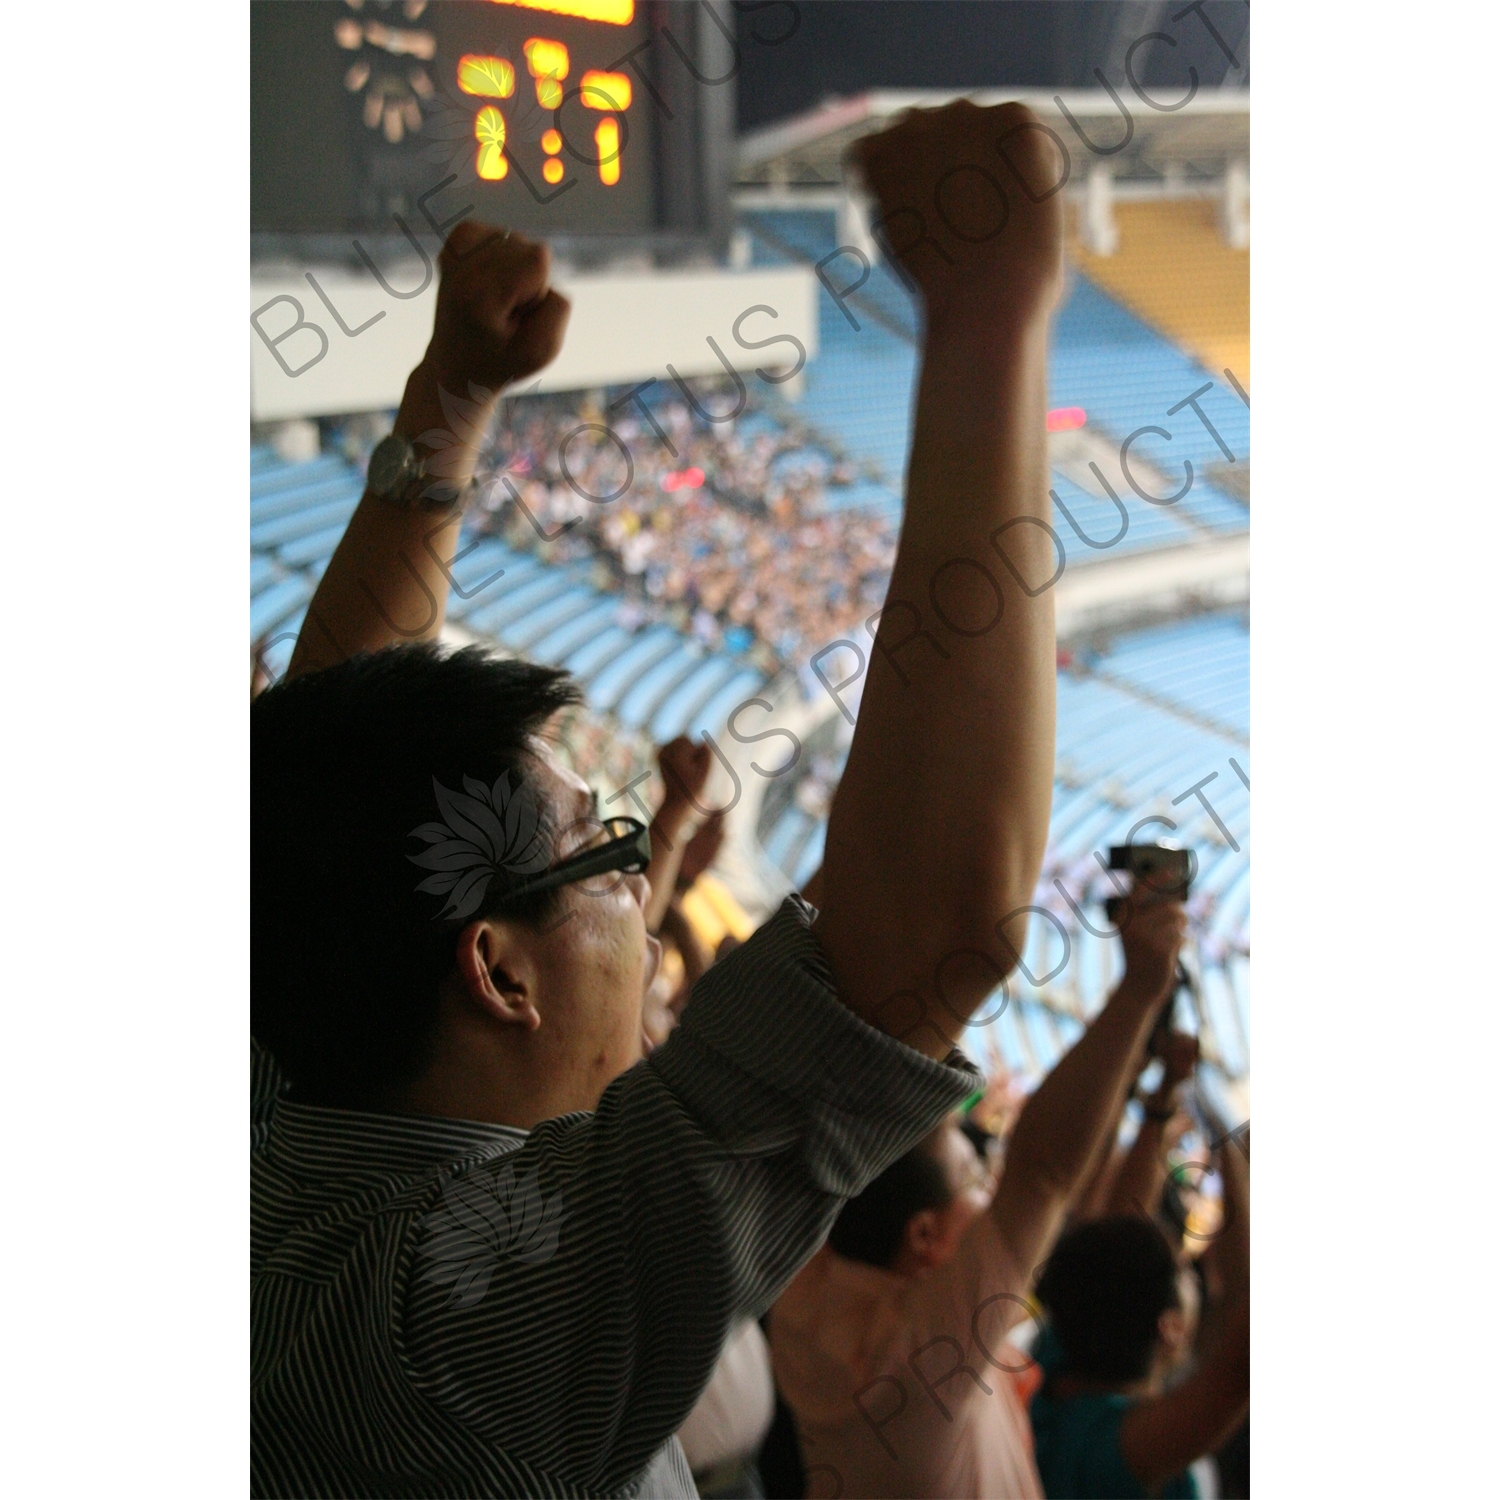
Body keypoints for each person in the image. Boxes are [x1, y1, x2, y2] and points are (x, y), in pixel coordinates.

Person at [252, 98, 1067, 1499]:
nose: (643, 883)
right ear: (495, 970)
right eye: (604, 856)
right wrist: (994, 319)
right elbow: (920, 943)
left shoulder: (296, 1116)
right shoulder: (450, 1328)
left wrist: (449, 405)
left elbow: (329, 774)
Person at [768, 895, 1191, 1498]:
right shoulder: (920, 1360)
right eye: (973, 1181)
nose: (991, 1189)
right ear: (923, 1237)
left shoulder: (806, 1294)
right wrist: (1140, 990)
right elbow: (1040, 1173)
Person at [1029, 1134, 1249, 1498]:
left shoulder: (1055, 1357)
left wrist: (1159, 1112)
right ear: (1171, 1328)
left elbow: (1116, 1242)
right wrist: (1232, 1145)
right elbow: (1242, 1358)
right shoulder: (1118, 1449)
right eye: (1184, 1275)